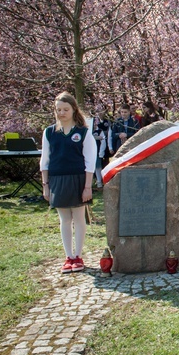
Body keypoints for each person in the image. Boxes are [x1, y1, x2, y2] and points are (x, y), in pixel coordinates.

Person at [40, 92, 97, 274]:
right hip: (57, 179)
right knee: (64, 219)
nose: (62, 113)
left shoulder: (83, 132)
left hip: (78, 179)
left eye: (65, 109)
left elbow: (90, 160)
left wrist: (88, 186)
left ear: (74, 109)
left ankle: (78, 256)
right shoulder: (49, 132)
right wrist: (45, 185)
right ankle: (68, 256)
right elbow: (45, 160)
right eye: (58, 110)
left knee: (79, 218)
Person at [92, 109, 110, 189]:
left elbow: (103, 141)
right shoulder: (86, 131)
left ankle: (99, 181)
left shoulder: (100, 131)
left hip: (97, 152)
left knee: (98, 167)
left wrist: (101, 152)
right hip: (88, 152)